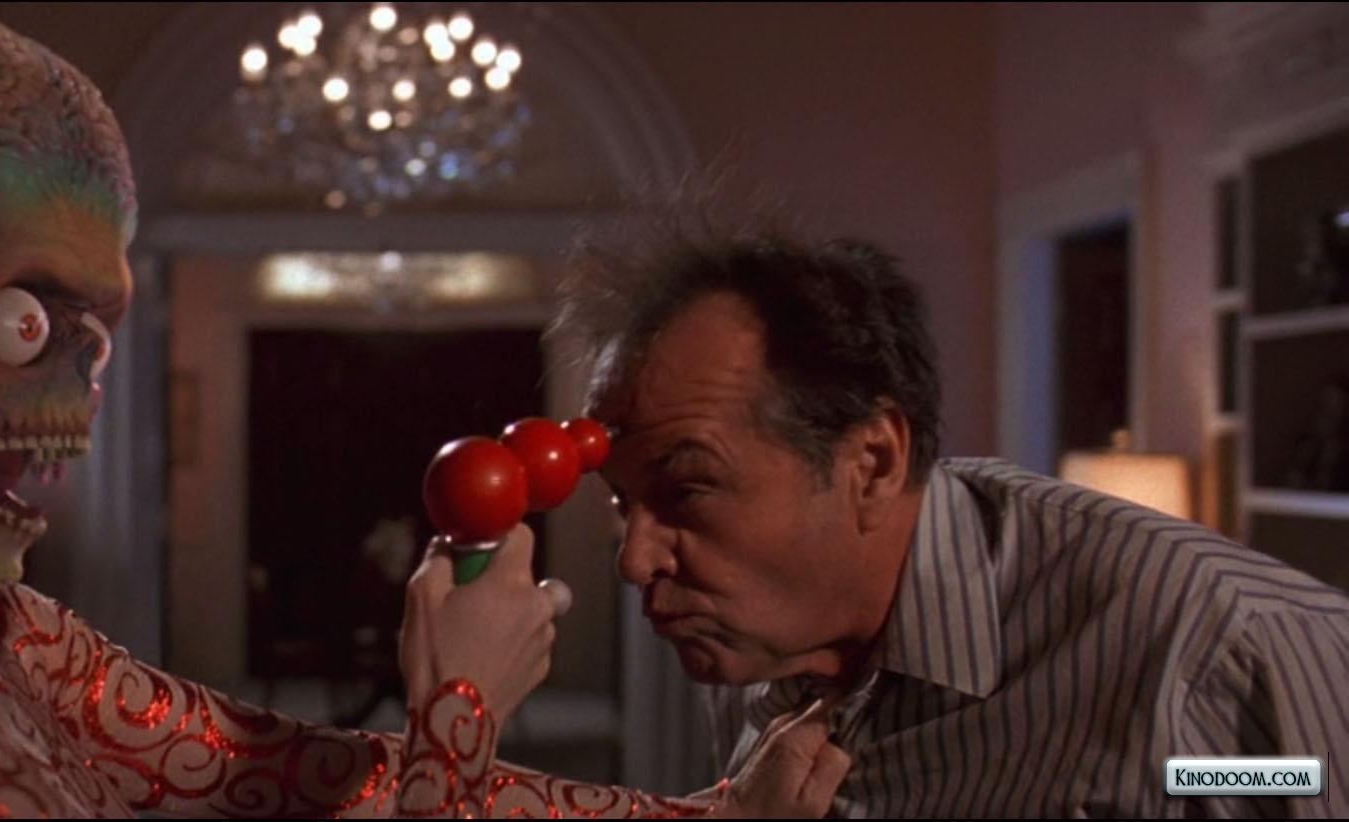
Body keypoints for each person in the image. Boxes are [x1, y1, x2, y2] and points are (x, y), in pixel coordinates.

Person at [0, 5, 842, 817]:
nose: (85, 386)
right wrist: (462, 706)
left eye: (97, 331)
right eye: (26, 320)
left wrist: (715, 813)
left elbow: (298, 773)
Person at [544, 209, 1349, 817]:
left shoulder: (1213, 654)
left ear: (873, 463)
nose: (634, 561)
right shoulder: (761, 646)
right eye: (622, 501)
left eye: (686, 491)